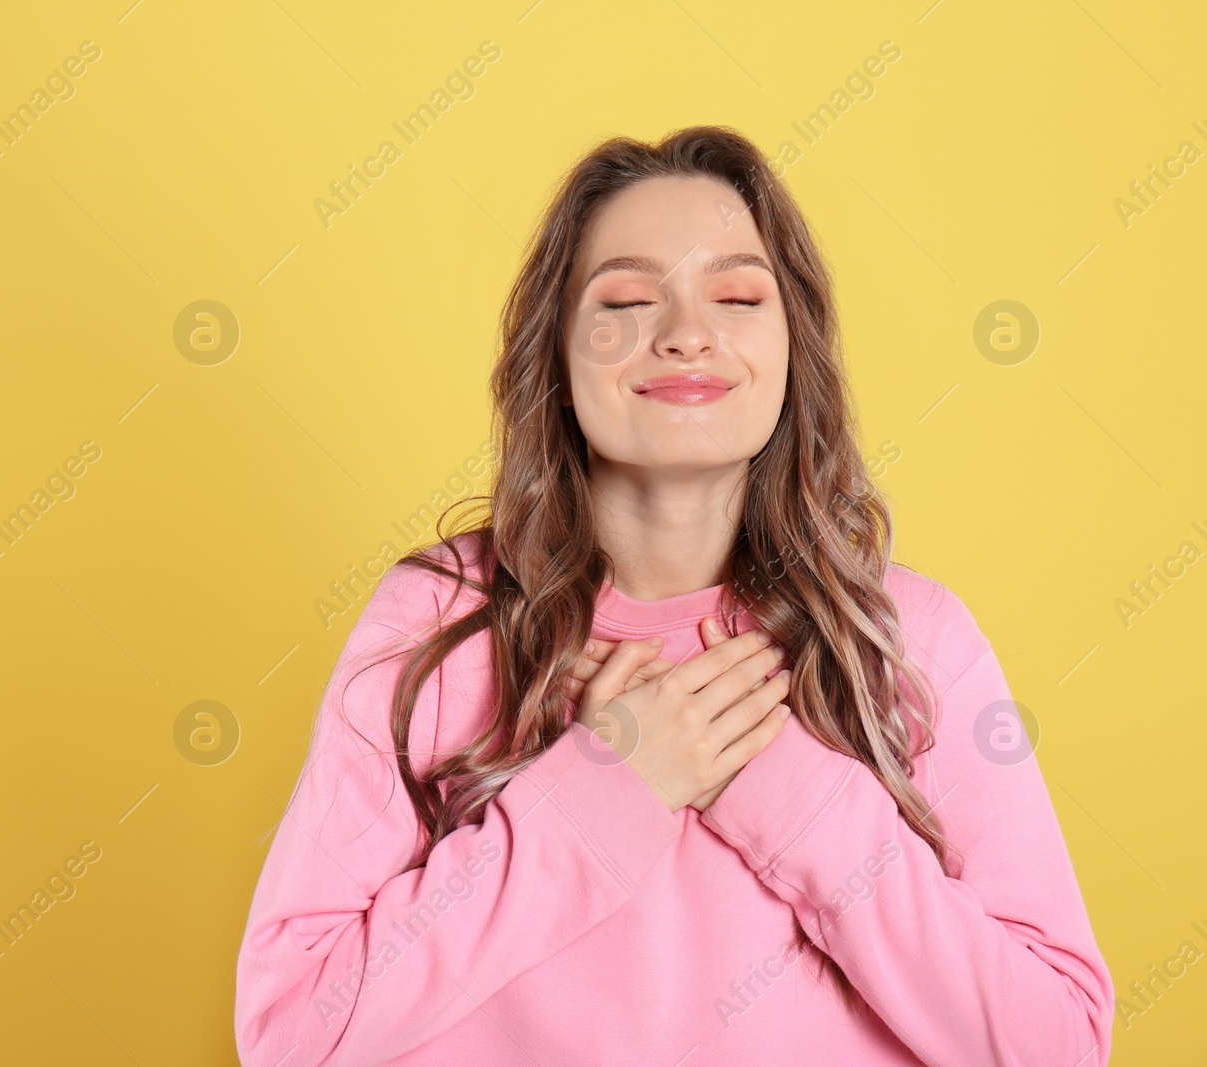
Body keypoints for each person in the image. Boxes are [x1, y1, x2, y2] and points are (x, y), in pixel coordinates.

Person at [234, 125, 1114, 1066]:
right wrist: (603, 792)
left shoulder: (910, 640)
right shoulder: (438, 623)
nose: (686, 331)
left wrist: (789, 792)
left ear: (793, 353)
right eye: (626, 299)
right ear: (559, 362)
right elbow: (293, 1035)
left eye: (736, 295)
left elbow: (1055, 1045)